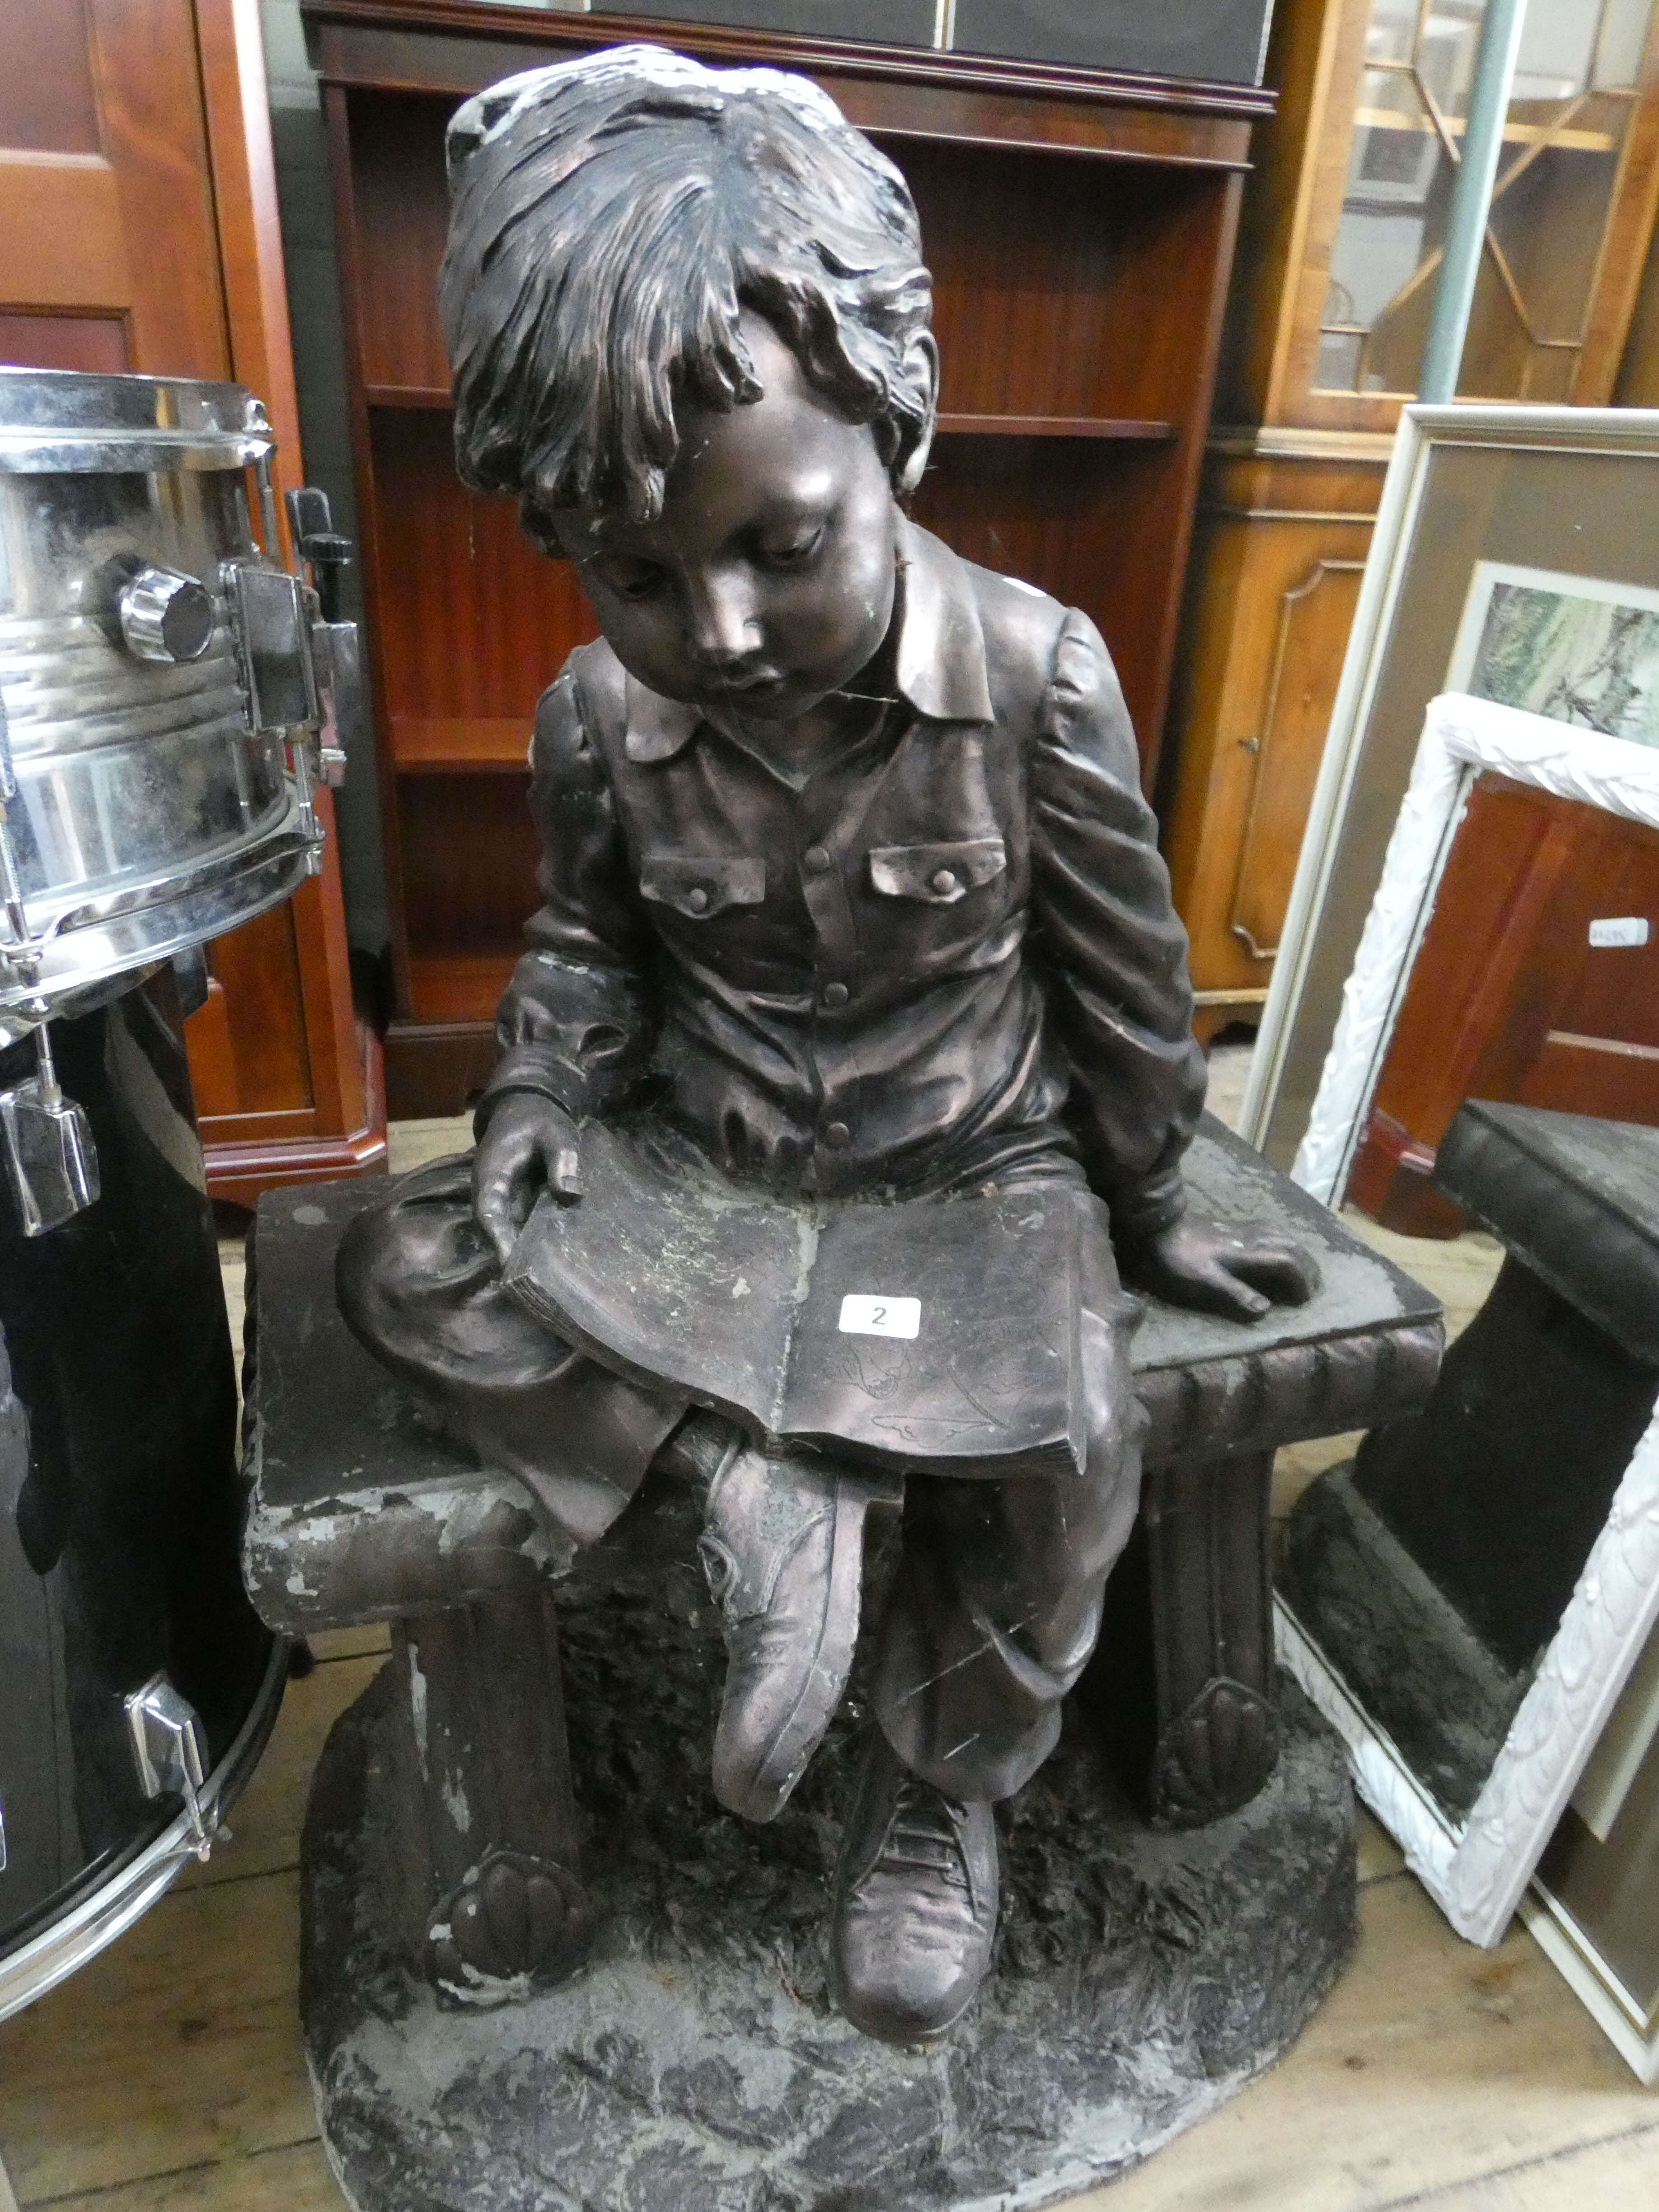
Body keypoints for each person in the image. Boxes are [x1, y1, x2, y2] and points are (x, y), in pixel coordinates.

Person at [338, 44, 1317, 2048]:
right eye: (635, 576)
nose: (718, 627)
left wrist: (1153, 1193)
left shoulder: (1040, 677)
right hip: (707, 1188)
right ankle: (749, 1488)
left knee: (1072, 1436)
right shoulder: (594, 727)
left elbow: (1128, 983)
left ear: (900, 426)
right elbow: (583, 950)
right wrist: (532, 1090)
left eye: (779, 545)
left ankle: (932, 1787)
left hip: (972, 1181)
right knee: (403, 1261)